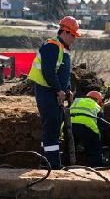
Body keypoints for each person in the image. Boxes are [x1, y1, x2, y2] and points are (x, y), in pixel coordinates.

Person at [29, 16, 80, 169]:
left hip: (54, 93)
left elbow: (64, 74)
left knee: (53, 129)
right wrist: (58, 90)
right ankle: (53, 165)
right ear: (64, 32)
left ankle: (45, 162)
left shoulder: (64, 49)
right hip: (46, 91)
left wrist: (67, 90)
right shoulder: (52, 46)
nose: (74, 39)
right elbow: (48, 72)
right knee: (51, 128)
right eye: (73, 35)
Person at [69, 91, 106, 167]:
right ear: (98, 100)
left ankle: (66, 164)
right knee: (94, 149)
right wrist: (100, 141)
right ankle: (96, 166)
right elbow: (101, 126)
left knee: (68, 148)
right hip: (87, 128)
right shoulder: (96, 106)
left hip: (70, 127)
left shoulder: (76, 101)